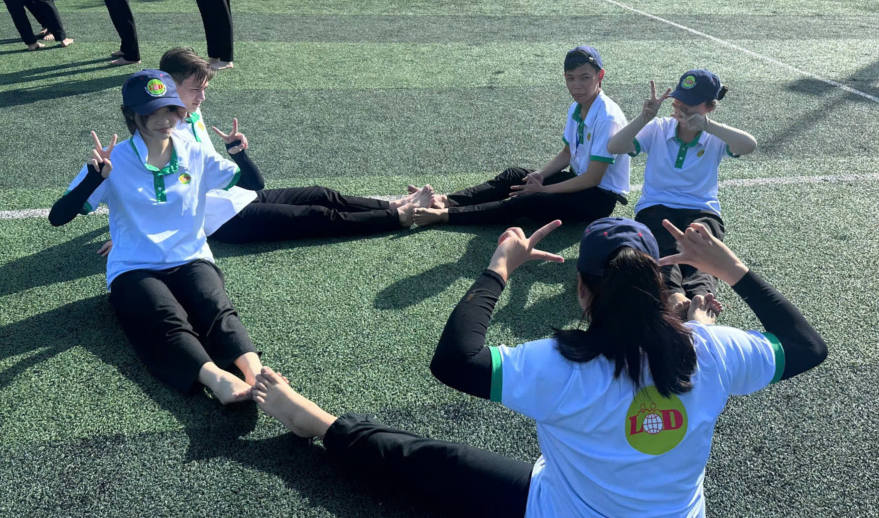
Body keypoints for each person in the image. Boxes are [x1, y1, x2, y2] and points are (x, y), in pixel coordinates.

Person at [251, 216, 827, 518]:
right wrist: (730, 270)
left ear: (581, 289)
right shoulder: (712, 348)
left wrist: (499, 267)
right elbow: (808, 347)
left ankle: (318, 423)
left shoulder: (562, 363)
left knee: (439, 461)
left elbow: (455, 360)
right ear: (659, 285)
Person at [49, 70, 271, 403]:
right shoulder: (113, 160)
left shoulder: (194, 151)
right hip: (134, 266)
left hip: (191, 257)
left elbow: (254, 184)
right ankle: (217, 379)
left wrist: (238, 152)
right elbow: (58, 217)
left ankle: (257, 372)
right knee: (165, 318)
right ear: (131, 114)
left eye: (170, 109)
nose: (164, 119)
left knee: (216, 306)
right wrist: (94, 179)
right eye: (152, 111)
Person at [94, 48, 430, 257]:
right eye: (196, 89)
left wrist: (237, 152)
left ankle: (392, 204)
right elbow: (140, 187)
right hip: (225, 221)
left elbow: (249, 181)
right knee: (316, 216)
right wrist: (127, 238)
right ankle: (397, 218)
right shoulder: (163, 135)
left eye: (205, 89)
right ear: (168, 86)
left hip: (237, 194)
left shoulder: (190, 113)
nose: (202, 97)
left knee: (320, 193)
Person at [413, 46, 630, 228]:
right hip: (577, 181)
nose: (576, 85)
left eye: (585, 78)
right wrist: (539, 175)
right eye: (570, 78)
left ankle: (446, 215)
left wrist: (543, 189)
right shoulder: (576, 107)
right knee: (515, 175)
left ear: (600, 76)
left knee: (529, 200)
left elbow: (593, 179)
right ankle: (447, 200)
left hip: (597, 198)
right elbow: (567, 153)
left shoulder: (607, 117)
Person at [608, 70, 757, 318]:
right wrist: (644, 117)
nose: (681, 107)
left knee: (702, 243)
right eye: (679, 100)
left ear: (710, 107)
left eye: (691, 103)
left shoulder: (715, 135)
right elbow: (615, 146)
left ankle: (701, 297)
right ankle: (673, 294)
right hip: (655, 206)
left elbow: (749, 145)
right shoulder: (658, 128)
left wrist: (707, 125)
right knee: (661, 243)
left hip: (702, 209)